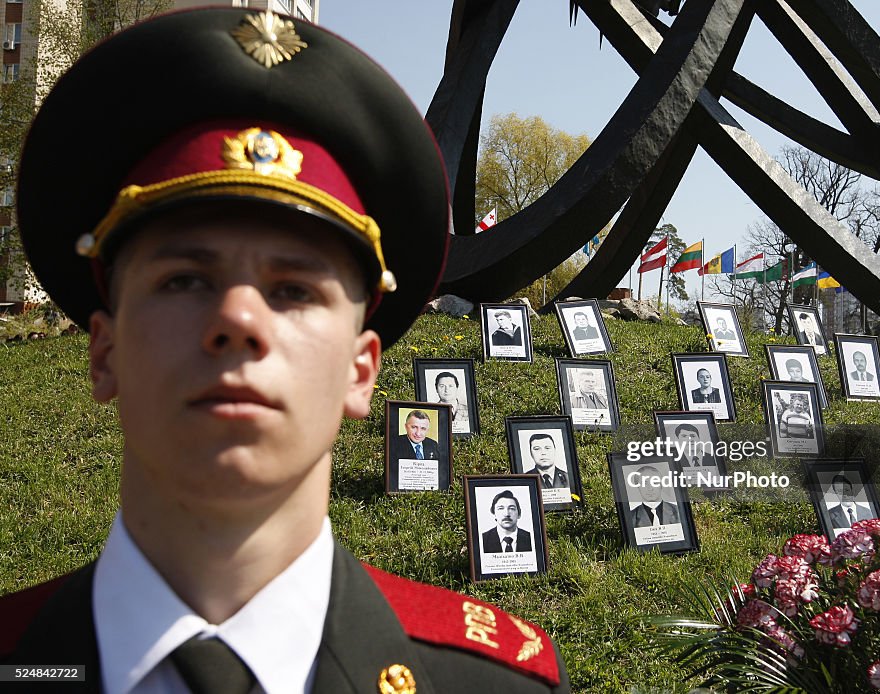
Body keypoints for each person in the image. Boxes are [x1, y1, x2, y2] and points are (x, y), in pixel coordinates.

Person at [0, 9, 568, 692]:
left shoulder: (493, 683)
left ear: (362, 371)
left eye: (295, 290)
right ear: (105, 352)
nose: (238, 318)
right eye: (184, 279)